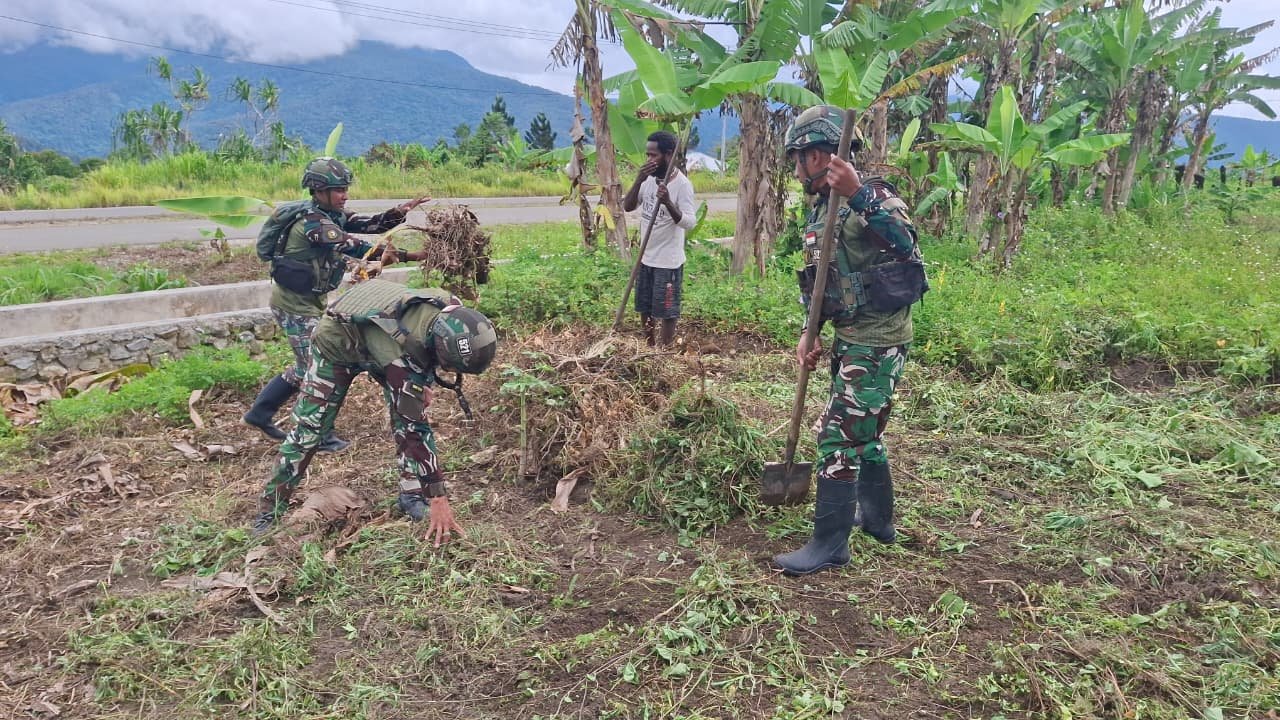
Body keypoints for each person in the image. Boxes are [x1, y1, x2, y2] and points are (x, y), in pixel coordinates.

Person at [773, 106, 925, 576]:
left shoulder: (874, 196)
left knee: (838, 438)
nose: (795, 169)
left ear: (817, 155)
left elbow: (907, 244)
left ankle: (830, 544)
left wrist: (858, 194)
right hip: (848, 335)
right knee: (866, 436)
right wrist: (810, 329)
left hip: (877, 342)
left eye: (798, 158)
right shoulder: (821, 207)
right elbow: (819, 278)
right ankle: (878, 521)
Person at [251, 278, 498, 543]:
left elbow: (419, 366)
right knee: (310, 430)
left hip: (383, 339)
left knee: (406, 416)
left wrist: (422, 381)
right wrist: (438, 498)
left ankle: (411, 495)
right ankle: (269, 511)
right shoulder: (399, 356)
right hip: (337, 343)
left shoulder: (451, 309)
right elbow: (415, 429)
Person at [243, 157, 432, 451]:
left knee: (305, 364)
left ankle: (260, 413)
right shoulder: (312, 222)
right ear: (319, 191)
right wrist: (410, 256)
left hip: (309, 302)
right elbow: (356, 246)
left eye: (345, 189)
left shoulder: (331, 214)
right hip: (294, 306)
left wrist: (400, 212)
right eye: (338, 190)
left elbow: (369, 225)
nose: (345, 195)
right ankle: (317, 434)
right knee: (317, 368)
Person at [622, 130, 697, 347]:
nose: (649, 160)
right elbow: (628, 206)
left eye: (653, 155)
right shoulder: (647, 181)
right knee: (644, 307)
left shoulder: (682, 185)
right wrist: (639, 179)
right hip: (646, 257)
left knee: (666, 310)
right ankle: (649, 347)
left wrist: (668, 203)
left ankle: (664, 352)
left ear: (669, 154)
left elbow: (689, 222)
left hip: (668, 260)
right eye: (647, 155)